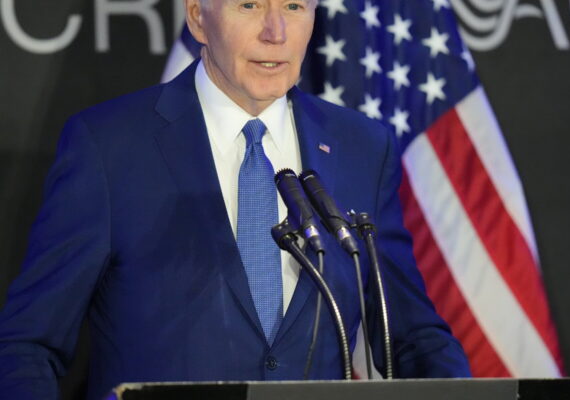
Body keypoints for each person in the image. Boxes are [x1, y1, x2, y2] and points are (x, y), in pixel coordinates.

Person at [0, 0, 471, 399]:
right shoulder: (109, 146)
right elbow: (28, 344)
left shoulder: (362, 148)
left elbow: (412, 336)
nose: (276, 32)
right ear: (197, 17)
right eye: (249, 5)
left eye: (294, 6)